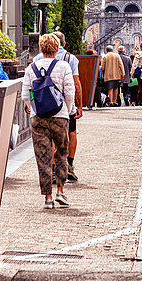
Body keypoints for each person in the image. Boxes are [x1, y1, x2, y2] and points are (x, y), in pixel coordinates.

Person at [22, 33, 75, 208]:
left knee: (42, 156)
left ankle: (48, 197)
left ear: (41, 48)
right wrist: (68, 109)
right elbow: (69, 92)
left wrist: (32, 107)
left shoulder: (31, 68)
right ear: (57, 48)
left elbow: (25, 94)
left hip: (38, 117)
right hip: (59, 116)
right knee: (61, 153)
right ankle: (61, 190)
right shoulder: (64, 66)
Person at [54, 31, 82, 181]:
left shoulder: (39, 58)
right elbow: (76, 83)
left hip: (46, 103)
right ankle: (69, 165)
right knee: (72, 131)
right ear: (64, 44)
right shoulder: (70, 58)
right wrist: (79, 105)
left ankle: (53, 168)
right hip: (66, 103)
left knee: (50, 135)